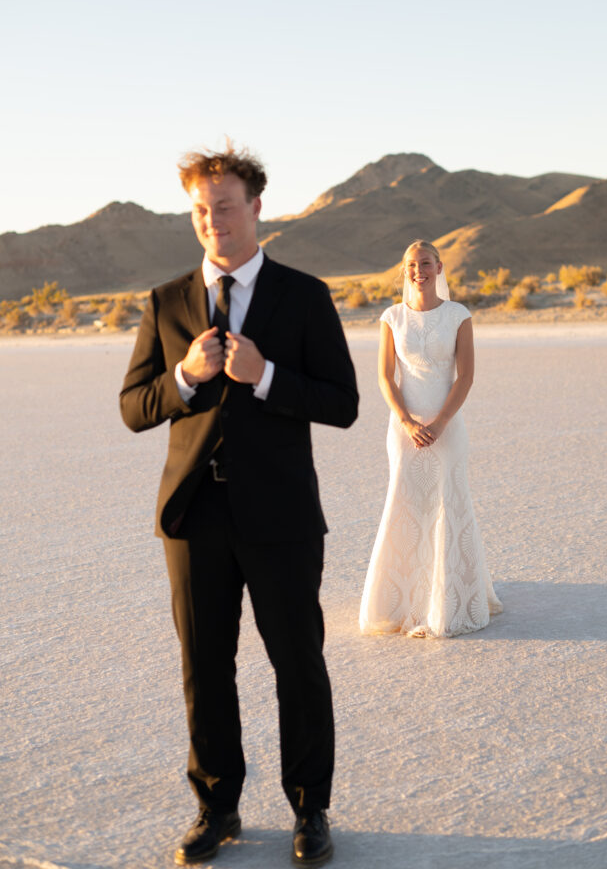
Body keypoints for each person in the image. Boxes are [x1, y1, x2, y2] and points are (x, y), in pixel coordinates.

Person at [119, 143, 358, 867]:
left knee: (298, 663)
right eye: (199, 209)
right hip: (193, 519)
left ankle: (310, 809)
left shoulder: (305, 295)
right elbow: (134, 407)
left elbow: (343, 404)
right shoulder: (165, 302)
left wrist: (267, 376)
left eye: (224, 207)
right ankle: (216, 807)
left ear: (256, 207)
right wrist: (187, 378)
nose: (212, 221)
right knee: (205, 667)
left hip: (281, 519)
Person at [359, 240, 502, 638]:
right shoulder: (392, 317)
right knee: (405, 502)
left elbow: (466, 377)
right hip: (403, 428)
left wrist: (439, 424)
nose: (418, 269)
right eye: (411, 264)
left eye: (425, 262)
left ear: (439, 268)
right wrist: (406, 421)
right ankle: (402, 603)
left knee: (447, 503)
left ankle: (448, 600)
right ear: (404, 270)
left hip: (448, 426)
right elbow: (385, 377)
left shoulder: (459, 315)